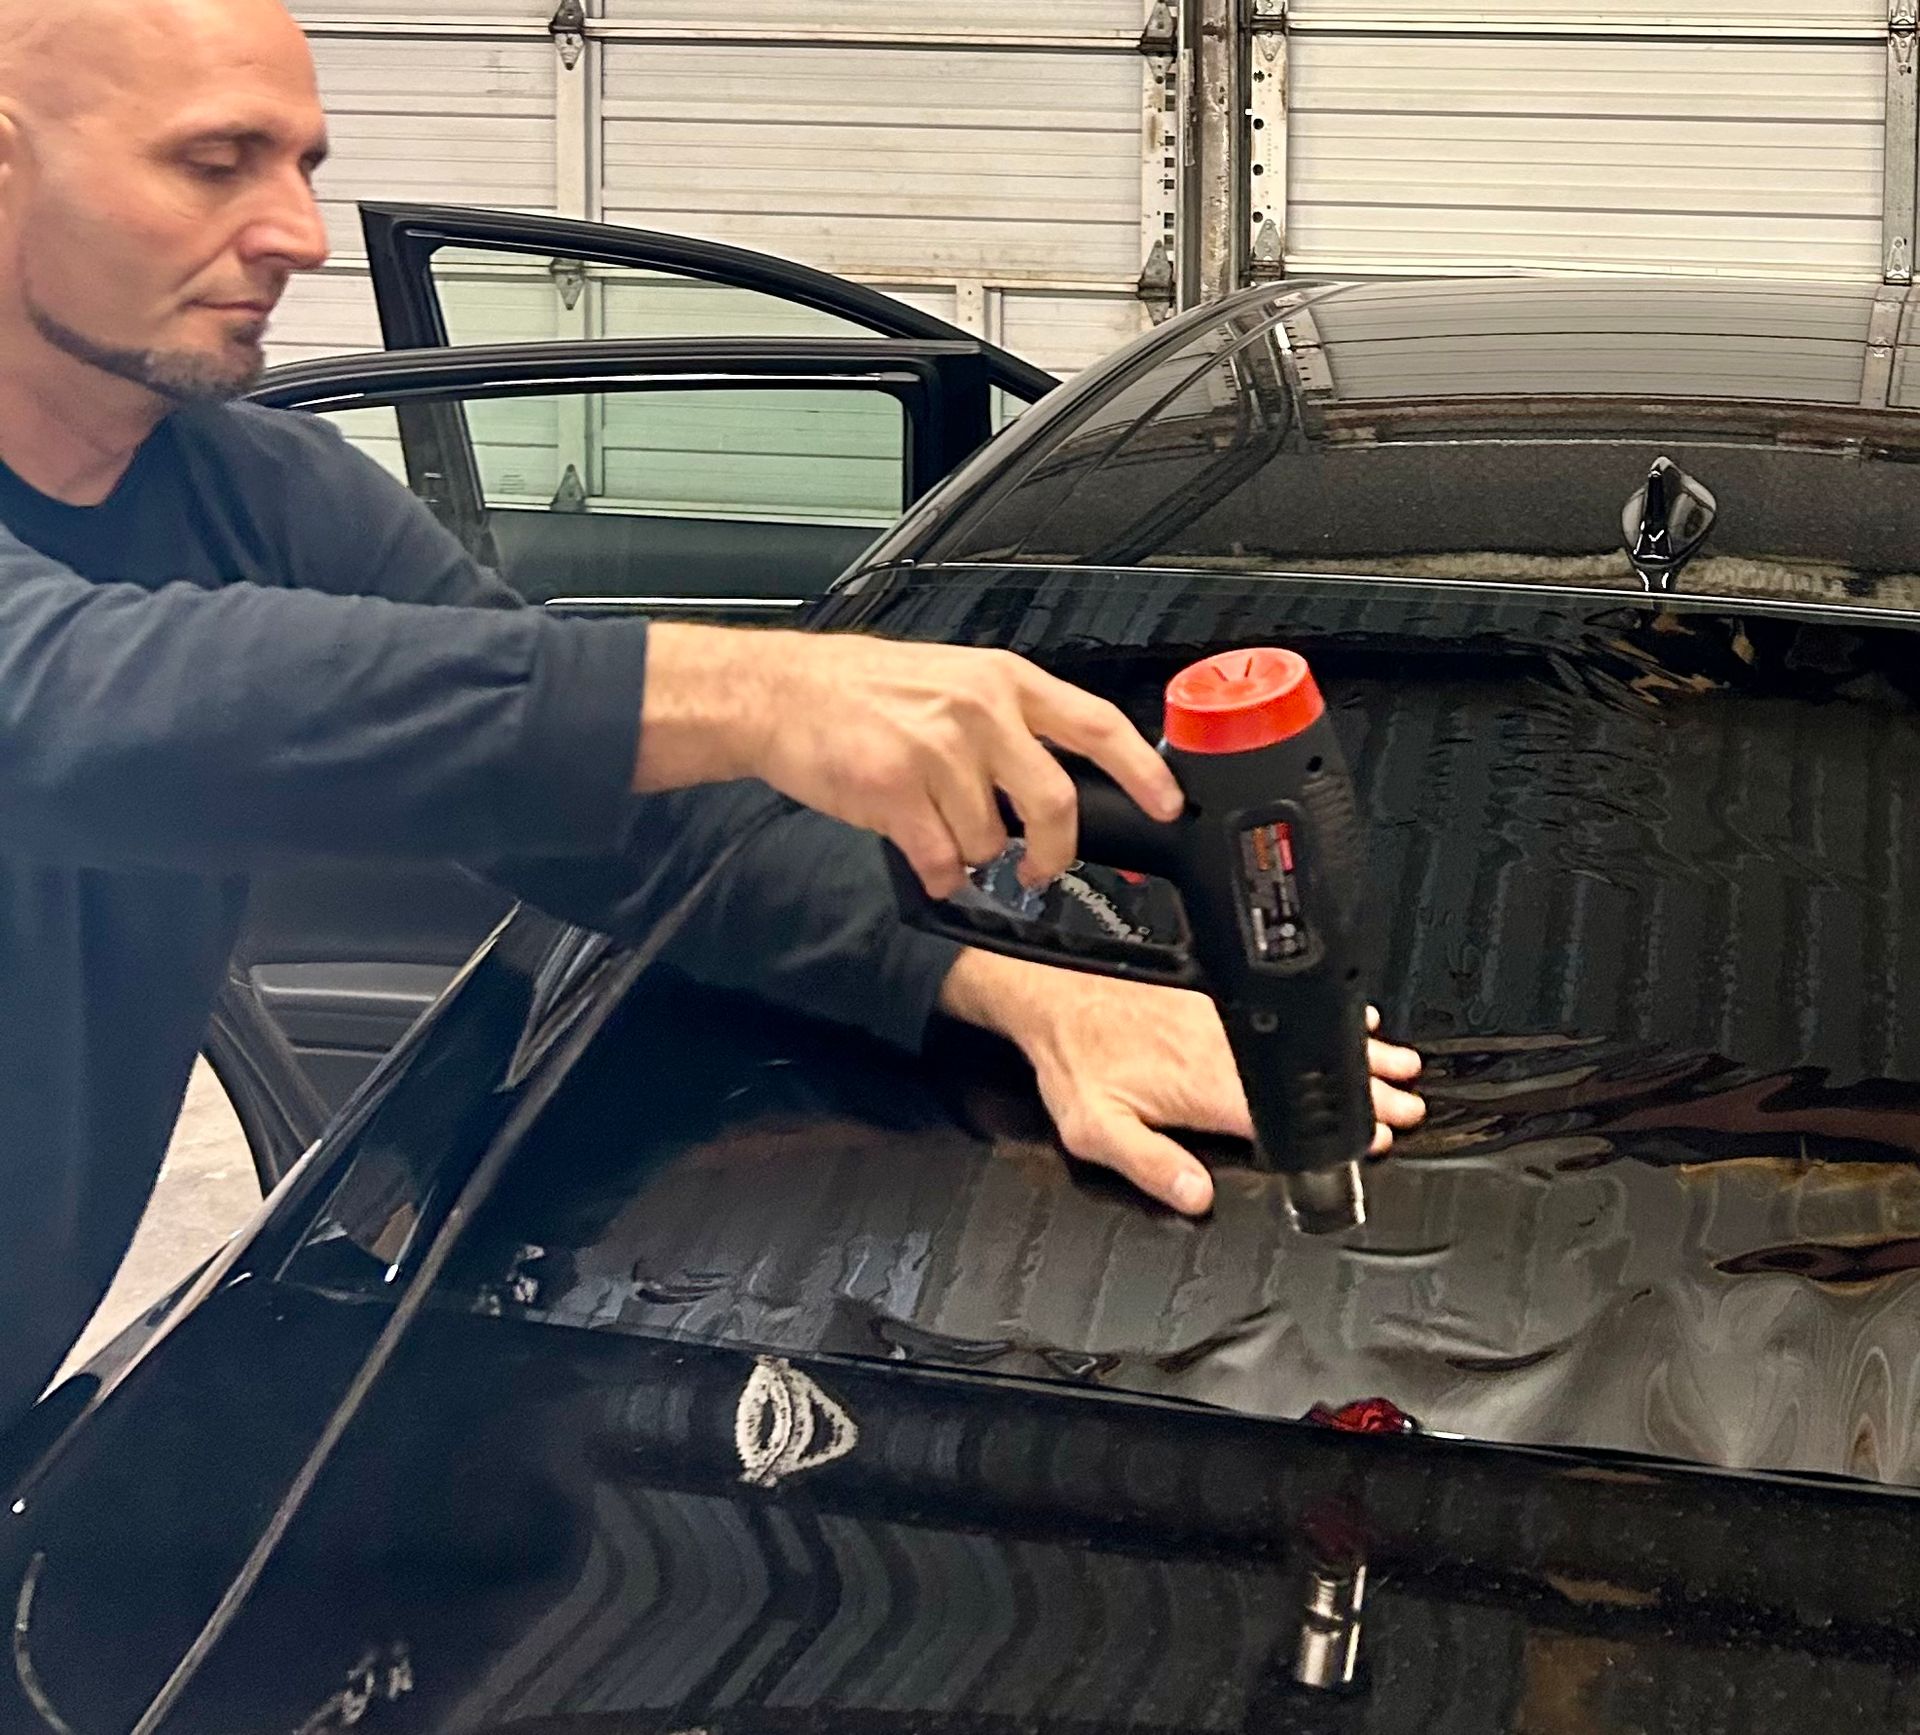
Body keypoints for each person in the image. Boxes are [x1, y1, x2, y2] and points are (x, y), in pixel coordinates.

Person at [0, 0, 1424, 1429]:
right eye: (214, 162)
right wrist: (750, 688)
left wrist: (1023, 995)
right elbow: (89, 707)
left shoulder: (262, 495)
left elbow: (618, 821)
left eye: (303, 165)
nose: (299, 232)